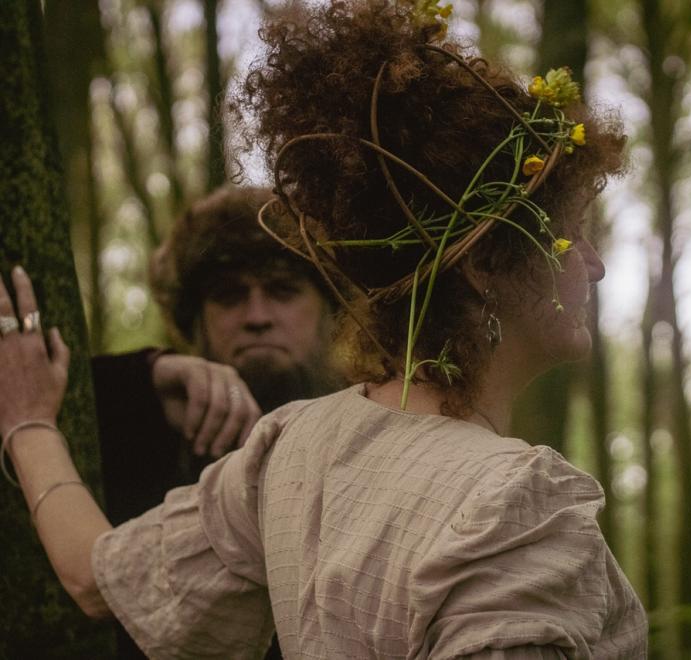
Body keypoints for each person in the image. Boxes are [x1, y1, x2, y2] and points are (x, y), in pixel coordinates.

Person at [0, 2, 647, 658]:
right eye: (574, 237)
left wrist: (28, 425)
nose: (593, 267)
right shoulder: (518, 509)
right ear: (483, 263)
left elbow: (94, 575)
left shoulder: (290, 449)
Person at [92, 185, 338, 658]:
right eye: (229, 296)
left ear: (331, 309)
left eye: (283, 290)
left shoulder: (376, 422)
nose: (258, 316)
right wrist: (145, 377)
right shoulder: (147, 424)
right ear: (195, 320)